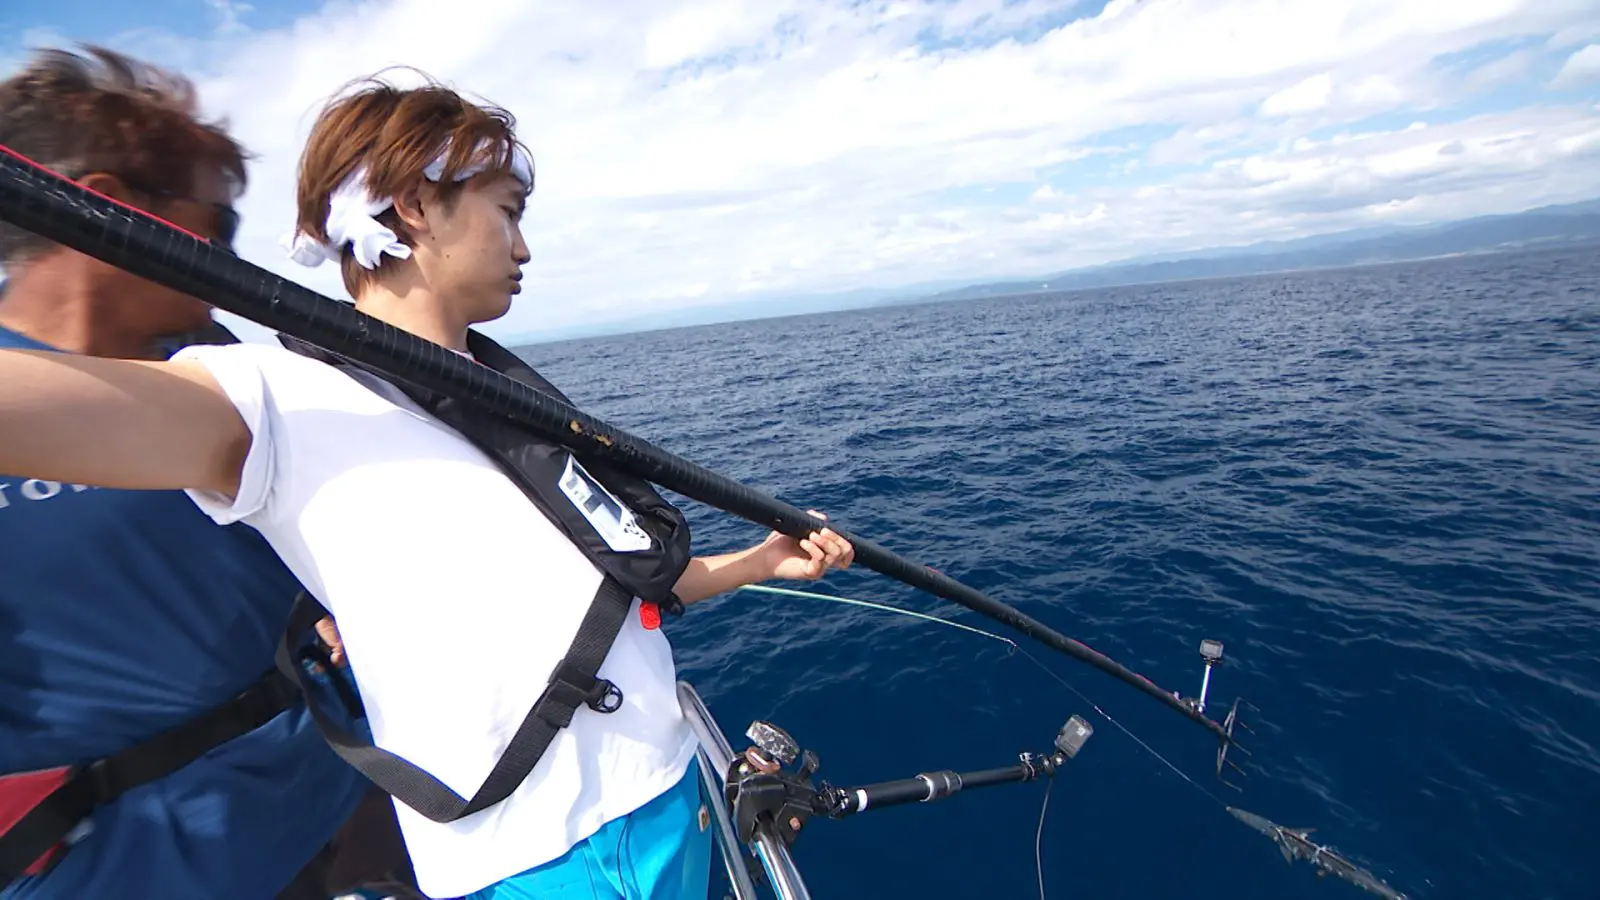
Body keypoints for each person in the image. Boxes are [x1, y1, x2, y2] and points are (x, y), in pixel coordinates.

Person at [0, 71, 855, 900]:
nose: (523, 247)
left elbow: (611, 578)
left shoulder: (507, 399)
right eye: (507, 213)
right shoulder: (268, 398)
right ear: (413, 205)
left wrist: (759, 561)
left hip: (666, 789)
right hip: (546, 856)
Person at [0, 45, 418, 900]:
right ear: (106, 214)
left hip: (351, 817)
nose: (231, 262)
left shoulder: (227, 373)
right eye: (217, 227)